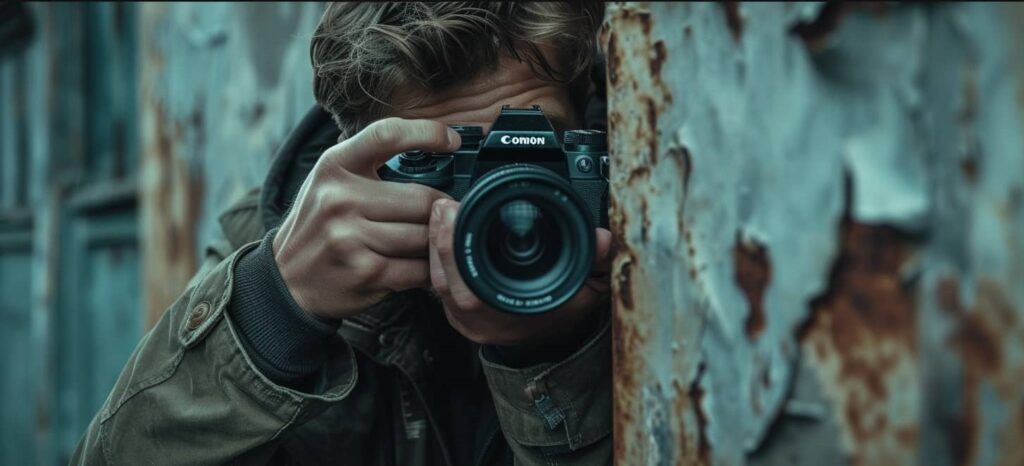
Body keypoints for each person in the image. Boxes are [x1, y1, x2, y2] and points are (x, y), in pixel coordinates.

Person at [72, 3, 611, 465]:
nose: (503, 201)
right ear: (365, 156)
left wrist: (552, 353)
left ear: (591, 129)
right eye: (445, 159)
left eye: (541, 148)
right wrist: (274, 311)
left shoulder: (639, 241)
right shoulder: (283, 246)